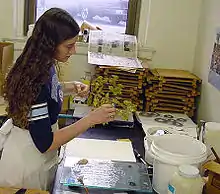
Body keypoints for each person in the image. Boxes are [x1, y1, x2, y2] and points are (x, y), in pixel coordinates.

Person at [0, 8, 116, 191]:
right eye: (69, 46)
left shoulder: (43, 63)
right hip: (26, 167)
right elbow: (45, 143)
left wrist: (71, 86)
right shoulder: (33, 80)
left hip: (38, 157)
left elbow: (47, 93)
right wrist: (90, 120)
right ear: (50, 44)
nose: (74, 50)